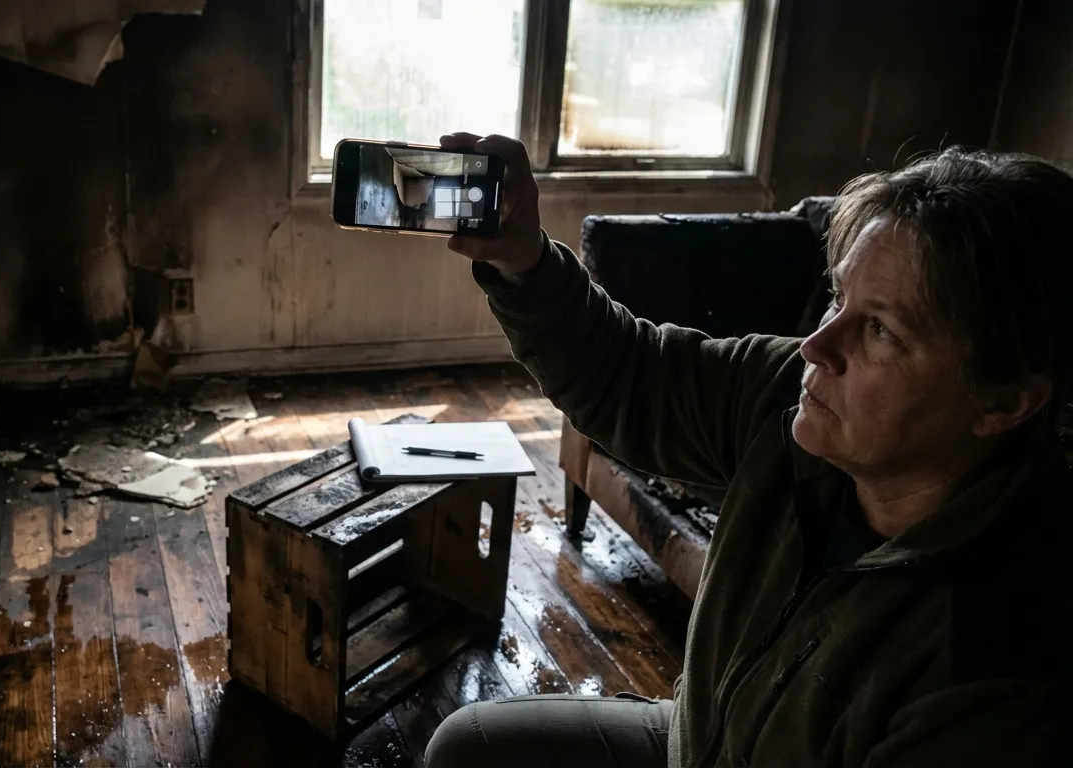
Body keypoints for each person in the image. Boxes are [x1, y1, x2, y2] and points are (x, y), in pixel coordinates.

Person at [423, 133, 1073, 767]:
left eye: (880, 330)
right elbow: (631, 376)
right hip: (699, 742)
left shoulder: (999, 666)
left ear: (1004, 402)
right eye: (837, 299)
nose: (816, 347)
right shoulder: (794, 400)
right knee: (468, 747)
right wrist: (522, 258)